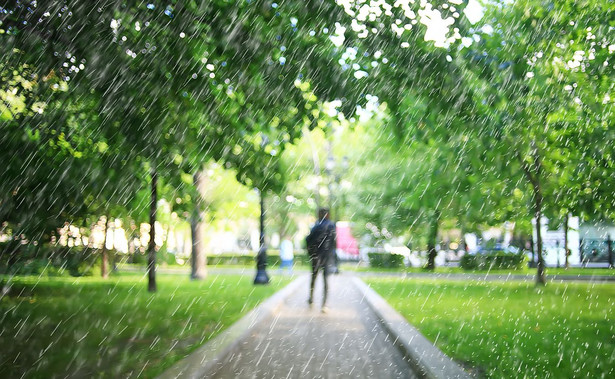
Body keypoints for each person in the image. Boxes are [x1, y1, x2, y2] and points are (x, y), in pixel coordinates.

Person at [305, 208, 336, 313]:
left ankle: (311, 299)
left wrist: (311, 252)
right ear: (328, 215)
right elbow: (334, 242)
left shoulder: (316, 226)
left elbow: (308, 239)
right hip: (326, 257)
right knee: (325, 280)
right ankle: (324, 304)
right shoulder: (331, 226)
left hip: (316, 256)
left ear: (319, 215)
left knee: (313, 278)